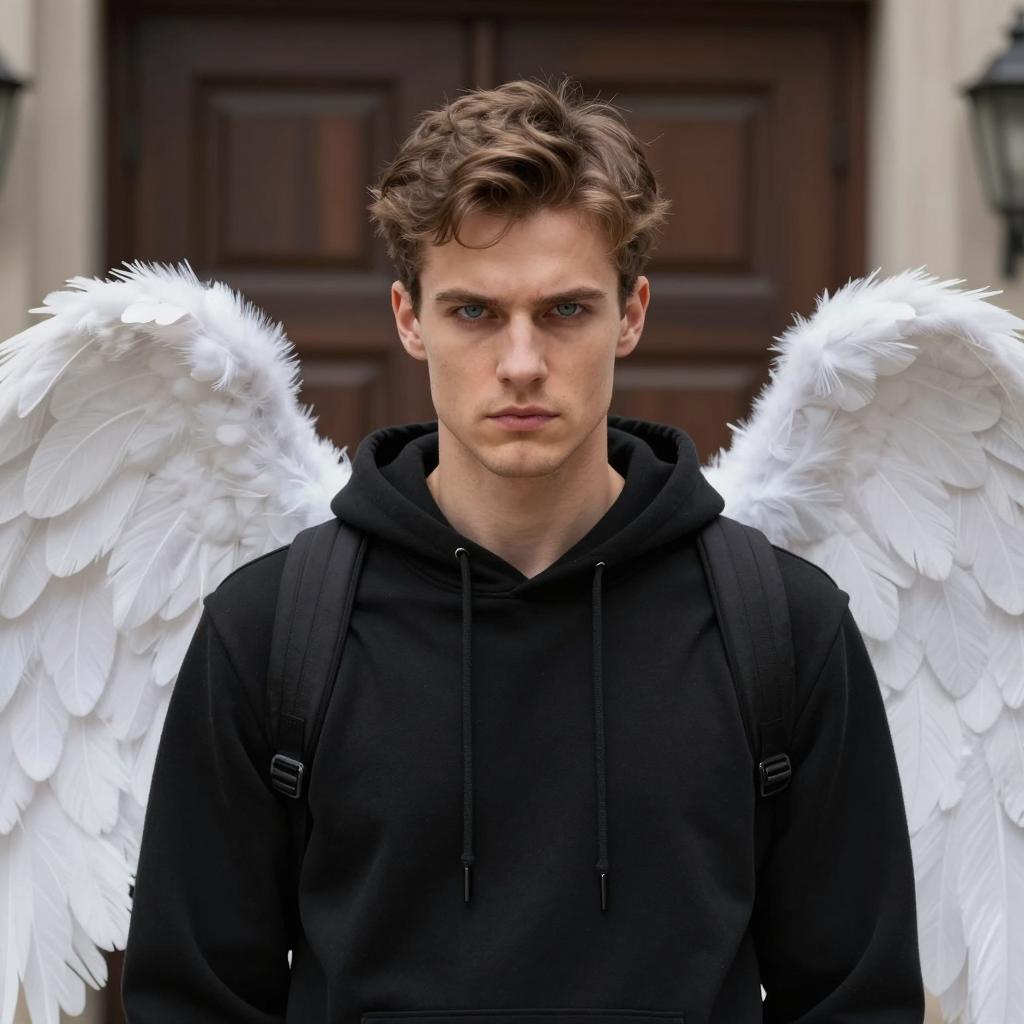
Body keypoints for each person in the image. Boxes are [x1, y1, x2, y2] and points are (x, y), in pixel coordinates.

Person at [120, 75, 925, 1023]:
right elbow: (194, 999)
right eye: (473, 312)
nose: (520, 364)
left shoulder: (783, 627)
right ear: (408, 318)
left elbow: (854, 1000)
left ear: (631, 314)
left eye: (564, 311)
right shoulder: (268, 633)